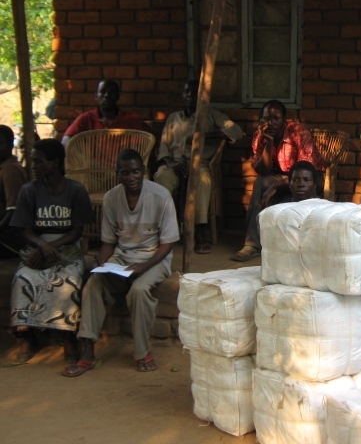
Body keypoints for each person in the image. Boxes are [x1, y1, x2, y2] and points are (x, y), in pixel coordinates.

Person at [63, 149, 179, 377]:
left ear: (143, 171)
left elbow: (167, 244)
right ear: (118, 174)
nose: (131, 177)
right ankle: (88, 349)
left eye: (135, 172)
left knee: (139, 290)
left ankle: (142, 352)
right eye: (125, 173)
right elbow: (108, 242)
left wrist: (142, 268)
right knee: (93, 285)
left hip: (154, 259)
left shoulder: (160, 196)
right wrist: (103, 262)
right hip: (122, 257)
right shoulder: (111, 198)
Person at [10, 139, 94, 362]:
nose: (33, 166)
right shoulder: (29, 190)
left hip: (67, 246)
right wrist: (41, 245)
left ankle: (67, 335)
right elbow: (24, 229)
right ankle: (28, 335)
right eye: (33, 161)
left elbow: (77, 231)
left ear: (55, 162)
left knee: (68, 282)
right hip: (37, 244)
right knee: (23, 279)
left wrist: (52, 246)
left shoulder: (75, 190)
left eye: (39, 161)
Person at [154, 79, 243, 254]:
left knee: (203, 180)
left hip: (200, 164)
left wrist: (205, 136)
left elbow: (237, 131)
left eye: (194, 93)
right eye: (186, 92)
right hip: (175, 164)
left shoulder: (211, 115)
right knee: (161, 177)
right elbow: (163, 149)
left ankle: (201, 230)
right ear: (182, 95)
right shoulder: (173, 118)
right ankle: (165, 228)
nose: (190, 96)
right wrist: (171, 163)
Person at [231, 100, 326, 262]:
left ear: (284, 119)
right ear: (261, 119)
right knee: (260, 183)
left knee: (292, 183)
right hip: (279, 176)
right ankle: (253, 244)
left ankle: (296, 244)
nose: (271, 123)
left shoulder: (298, 132)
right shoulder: (260, 135)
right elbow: (262, 171)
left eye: (276, 118)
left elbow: (305, 170)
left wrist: (276, 186)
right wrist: (268, 142)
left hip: (307, 177)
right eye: (267, 118)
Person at [61, 80, 145, 147]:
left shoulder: (131, 118)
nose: (107, 95)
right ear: (96, 96)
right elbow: (66, 140)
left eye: (111, 92)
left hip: (122, 163)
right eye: (103, 91)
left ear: (118, 96)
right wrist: (78, 157)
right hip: (90, 164)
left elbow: (138, 147)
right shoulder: (86, 118)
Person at [0, 124, 29, 257]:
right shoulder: (4, 167)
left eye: (1, 143)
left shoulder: (10, 169)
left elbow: (14, 211)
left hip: (10, 237)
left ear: (11, 145)